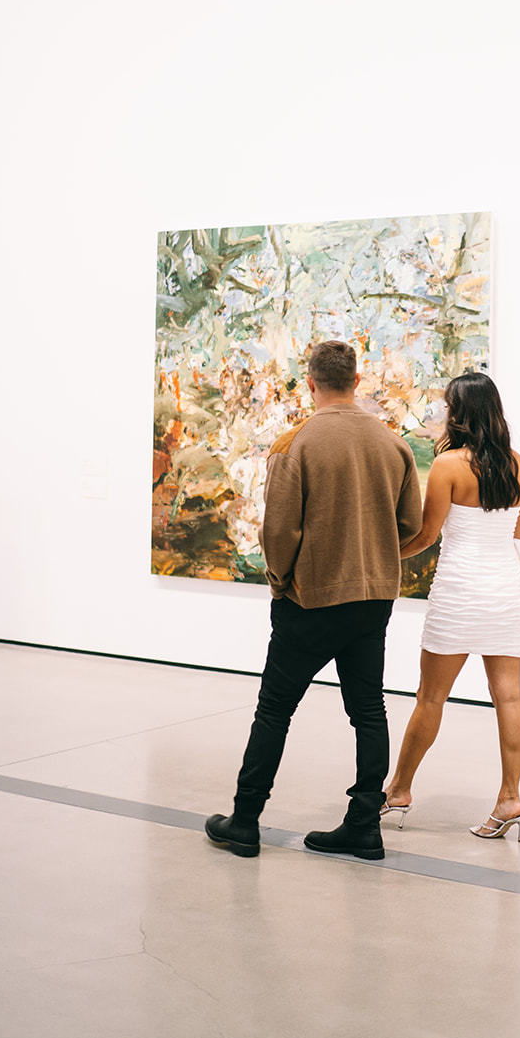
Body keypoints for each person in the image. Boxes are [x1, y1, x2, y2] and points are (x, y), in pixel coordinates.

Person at [205, 340, 422, 862]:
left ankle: (247, 821)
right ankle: (364, 825)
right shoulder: (393, 445)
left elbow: (279, 532)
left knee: (274, 711)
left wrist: (282, 582)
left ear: (310, 381)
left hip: (311, 600)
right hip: (372, 599)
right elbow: (411, 525)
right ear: (357, 378)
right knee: (369, 710)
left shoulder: (293, 443)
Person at [383, 371, 520, 840]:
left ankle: (398, 791)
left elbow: (426, 537)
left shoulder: (449, 466)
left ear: (460, 413)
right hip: (504, 594)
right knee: (509, 698)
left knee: (430, 697)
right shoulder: (518, 467)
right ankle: (510, 797)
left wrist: (385, 553)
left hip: (459, 592)